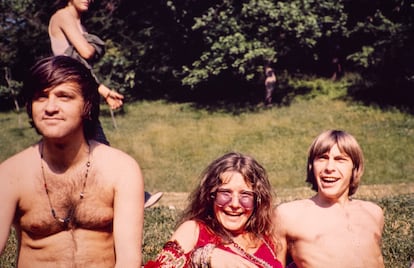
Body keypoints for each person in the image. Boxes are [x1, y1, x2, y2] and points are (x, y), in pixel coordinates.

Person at [0, 56, 144, 267]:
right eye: (41, 97)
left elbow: (129, 260)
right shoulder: (10, 174)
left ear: (86, 105)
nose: (50, 107)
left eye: (64, 96)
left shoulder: (121, 170)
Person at [48, 0, 162, 207]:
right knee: (97, 150)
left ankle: (90, 201)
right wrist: (94, 44)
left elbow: (80, 70)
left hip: (79, 94)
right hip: (68, 97)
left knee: (89, 151)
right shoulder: (63, 16)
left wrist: (105, 91)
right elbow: (87, 52)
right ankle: (133, 196)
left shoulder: (77, 22)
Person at [145, 152, 283, 268]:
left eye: (245, 195)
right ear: (210, 196)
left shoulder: (269, 238)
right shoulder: (194, 231)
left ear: (258, 200)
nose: (235, 204)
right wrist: (205, 256)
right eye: (225, 194)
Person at [273, 129, 385, 268]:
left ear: (354, 168)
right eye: (322, 158)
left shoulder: (373, 213)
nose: (329, 167)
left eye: (340, 160)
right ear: (311, 166)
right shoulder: (289, 215)